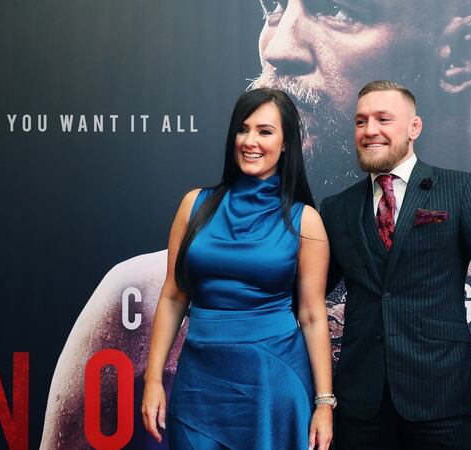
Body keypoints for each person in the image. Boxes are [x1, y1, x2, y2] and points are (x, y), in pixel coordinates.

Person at [43, 2, 471, 449]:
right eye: (274, 4)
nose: (278, 46)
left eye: (339, 9)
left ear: (457, 58)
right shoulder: (140, 306)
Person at [320, 80, 471, 450]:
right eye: (361, 121)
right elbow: (309, 298)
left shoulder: (460, 190)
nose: (370, 130)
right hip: (359, 405)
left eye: (384, 119)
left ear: (414, 128)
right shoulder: (337, 208)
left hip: (440, 399)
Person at [140, 88, 333, 449]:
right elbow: (172, 296)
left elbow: (312, 315)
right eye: (243, 130)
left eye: (265, 131)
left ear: (287, 142)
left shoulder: (305, 221)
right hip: (199, 381)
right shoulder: (194, 205)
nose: (250, 141)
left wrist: (324, 403)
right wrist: (153, 379)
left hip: (273, 380)